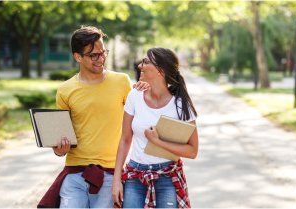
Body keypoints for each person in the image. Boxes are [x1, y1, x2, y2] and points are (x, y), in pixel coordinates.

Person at [37, 26, 148, 208]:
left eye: (102, 52)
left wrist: (146, 93)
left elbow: (141, 118)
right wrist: (59, 148)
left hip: (110, 173)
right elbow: (61, 143)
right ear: (78, 57)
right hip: (74, 173)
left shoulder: (121, 82)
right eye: (94, 55)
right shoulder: (65, 90)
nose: (101, 59)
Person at [112, 47, 198, 208]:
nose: (140, 65)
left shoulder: (180, 104)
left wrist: (157, 142)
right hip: (134, 176)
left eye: (145, 62)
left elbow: (192, 151)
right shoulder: (134, 96)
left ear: (160, 70)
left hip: (167, 177)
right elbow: (124, 140)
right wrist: (117, 180)